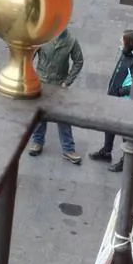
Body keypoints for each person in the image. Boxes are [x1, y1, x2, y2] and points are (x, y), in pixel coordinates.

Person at [26, 26, 84, 164]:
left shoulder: (71, 41)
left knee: (63, 118)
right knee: (40, 115)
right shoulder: (42, 36)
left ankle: (68, 149)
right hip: (42, 82)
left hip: (59, 85)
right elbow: (29, 55)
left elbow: (79, 61)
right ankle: (37, 142)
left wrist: (67, 81)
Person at [89, 29, 133, 172]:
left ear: (129, 43)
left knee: (124, 132)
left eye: (122, 41)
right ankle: (106, 151)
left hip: (123, 101)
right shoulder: (125, 54)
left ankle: (125, 160)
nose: (120, 43)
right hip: (114, 97)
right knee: (109, 125)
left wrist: (120, 92)